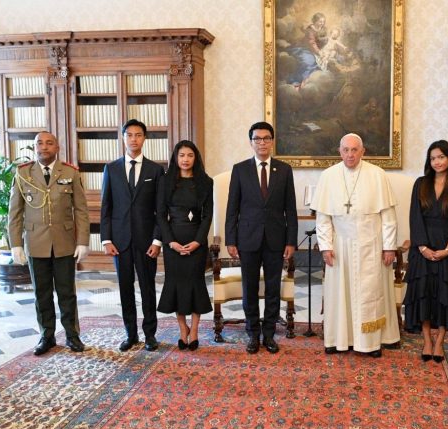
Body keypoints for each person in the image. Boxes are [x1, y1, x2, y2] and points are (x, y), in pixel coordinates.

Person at [310, 133, 401, 358]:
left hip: (371, 245)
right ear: (339, 151)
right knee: (339, 293)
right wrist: (325, 246)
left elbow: (388, 216)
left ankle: (370, 343)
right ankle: (338, 340)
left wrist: (389, 247)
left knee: (371, 294)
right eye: (346, 150)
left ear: (363, 151)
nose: (350, 154)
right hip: (340, 246)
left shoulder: (377, 174)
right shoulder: (328, 176)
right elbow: (323, 218)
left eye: (354, 150)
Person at [8, 131, 90, 355]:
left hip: (64, 243)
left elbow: (81, 210)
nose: (44, 147)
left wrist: (83, 241)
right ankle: (47, 335)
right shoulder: (23, 173)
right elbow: (15, 213)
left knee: (67, 293)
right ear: (34, 147)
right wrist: (16, 244)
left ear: (57, 147)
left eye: (49, 143)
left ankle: (72, 335)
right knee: (41, 293)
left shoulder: (70, 172)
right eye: (39, 143)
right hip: (36, 243)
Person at [225, 122, 298, 355]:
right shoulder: (240, 170)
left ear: (272, 141)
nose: (262, 142)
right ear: (251, 142)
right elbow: (232, 208)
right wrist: (230, 240)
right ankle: (252, 334)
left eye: (266, 138)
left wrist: (291, 241)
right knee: (249, 288)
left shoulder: (284, 170)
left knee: (273, 289)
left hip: (276, 239)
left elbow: (290, 209)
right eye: (257, 139)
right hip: (247, 238)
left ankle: (269, 335)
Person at [100, 119, 164, 352]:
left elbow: (160, 210)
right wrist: (106, 239)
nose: (134, 139)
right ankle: (131, 334)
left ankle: (150, 335)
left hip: (147, 242)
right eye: (129, 135)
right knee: (125, 289)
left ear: (144, 138)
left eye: (138, 135)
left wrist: (157, 240)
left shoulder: (156, 170)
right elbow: (106, 207)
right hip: (120, 242)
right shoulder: (111, 169)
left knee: (148, 288)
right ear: (123, 138)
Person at [404, 140, 448, 363]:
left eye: (441, 157)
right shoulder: (420, 183)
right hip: (422, 245)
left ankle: (440, 341)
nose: (437, 162)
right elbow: (414, 216)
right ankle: (427, 340)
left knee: (444, 296)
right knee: (423, 293)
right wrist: (422, 247)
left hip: (447, 245)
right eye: (433, 158)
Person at [156, 140, 213, 351]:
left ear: (195, 158)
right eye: (182, 155)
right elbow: (160, 215)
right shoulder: (165, 181)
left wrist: (198, 241)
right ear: (176, 158)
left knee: (196, 284)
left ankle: (195, 330)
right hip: (173, 241)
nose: (186, 159)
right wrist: (170, 242)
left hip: (197, 240)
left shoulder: (206, 182)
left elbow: (207, 216)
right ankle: (182, 328)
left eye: (190, 155)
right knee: (176, 284)